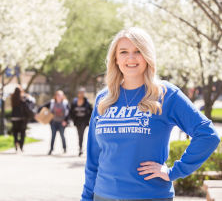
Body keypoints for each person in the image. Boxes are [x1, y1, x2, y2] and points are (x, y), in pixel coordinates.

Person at [81, 27, 220, 201]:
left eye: (138, 51)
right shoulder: (104, 98)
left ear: (147, 56)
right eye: (124, 52)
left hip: (149, 196)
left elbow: (208, 134)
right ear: (115, 59)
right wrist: (87, 197)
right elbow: (93, 157)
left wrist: (174, 172)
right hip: (103, 195)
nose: (131, 58)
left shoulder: (166, 94)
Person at [39, 90, 70, 155]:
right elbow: (42, 107)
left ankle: (64, 148)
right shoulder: (52, 102)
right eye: (58, 95)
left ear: (62, 96)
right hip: (54, 122)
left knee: (62, 136)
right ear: (55, 96)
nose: (59, 96)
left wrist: (66, 121)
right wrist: (40, 114)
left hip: (62, 122)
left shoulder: (65, 103)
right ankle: (51, 149)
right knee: (53, 136)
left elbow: (69, 113)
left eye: (60, 95)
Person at [69, 87, 92, 156]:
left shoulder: (87, 102)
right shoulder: (74, 101)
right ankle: (80, 147)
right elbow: (71, 111)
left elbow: (91, 111)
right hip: (77, 121)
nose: (81, 94)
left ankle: (81, 148)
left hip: (84, 121)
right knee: (79, 134)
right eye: (80, 93)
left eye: (83, 93)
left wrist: (88, 119)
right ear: (78, 94)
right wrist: (72, 119)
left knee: (81, 134)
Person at [11, 86, 35, 152]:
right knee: (22, 133)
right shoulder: (22, 98)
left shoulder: (13, 97)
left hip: (14, 117)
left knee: (15, 132)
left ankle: (16, 141)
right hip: (22, 118)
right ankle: (21, 146)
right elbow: (28, 105)